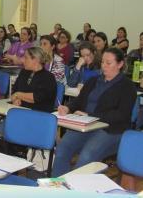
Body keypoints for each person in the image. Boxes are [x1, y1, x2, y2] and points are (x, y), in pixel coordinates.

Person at [52, 48, 137, 176]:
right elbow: (79, 101)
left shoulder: (127, 86)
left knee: (87, 156)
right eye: (102, 62)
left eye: (108, 63)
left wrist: (91, 116)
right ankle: (57, 187)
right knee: (63, 147)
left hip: (111, 129)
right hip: (86, 126)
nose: (104, 66)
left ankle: (77, 192)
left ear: (120, 64)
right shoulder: (93, 81)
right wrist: (68, 108)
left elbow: (121, 115)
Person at [11, 47, 57, 112]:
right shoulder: (24, 72)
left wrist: (18, 95)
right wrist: (15, 100)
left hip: (39, 114)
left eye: (26, 58)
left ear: (36, 60)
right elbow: (15, 89)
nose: (23, 60)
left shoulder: (48, 77)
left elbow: (37, 97)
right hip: (21, 110)